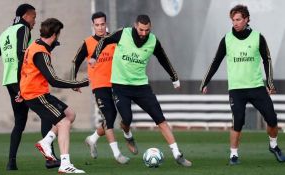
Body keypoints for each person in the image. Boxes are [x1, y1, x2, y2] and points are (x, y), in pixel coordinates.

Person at [89, 14, 192, 167]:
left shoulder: (153, 41)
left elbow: (163, 59)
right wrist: (94, 56)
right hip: (120, 86)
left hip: (141, 87)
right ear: (135, 26)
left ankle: (178, 154)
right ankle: (128, 134)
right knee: (127, 119)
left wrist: (174, 78)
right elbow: (104, 41)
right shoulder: (122, 34)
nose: (144, 33)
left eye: (147, 30)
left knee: (160, 119)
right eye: (141, 30)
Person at [200, 4, 285, 165]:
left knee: (272, 119)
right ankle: (233, 155)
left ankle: (273, 145)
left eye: (238, 19)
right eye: (233, 20)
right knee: (238, 120)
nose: (235, 23)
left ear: (246, 19)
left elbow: (267, 60)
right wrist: (205, 81)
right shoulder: (227, 39)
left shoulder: (258, 37)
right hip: (236, 89)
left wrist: (269, 82)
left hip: (256, 87)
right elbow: (216, 61)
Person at [0, 4, 60, 170]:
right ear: (26, 16)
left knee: (19, 122)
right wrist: (22, 83)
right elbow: (22, 55)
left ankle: (11, 162)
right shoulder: (24, 29)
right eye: (34, 17)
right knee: (47, 116)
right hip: (22, 82)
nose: (34, 21)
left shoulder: (5, 33)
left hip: (9, 82)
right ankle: (50, 159)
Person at [19, 18, 89, 173]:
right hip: (35, 95)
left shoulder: (36, 44)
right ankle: (65, 164)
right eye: (59, 34)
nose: (59, 37)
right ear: (55, 34)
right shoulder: (41, 53)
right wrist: (79, 83)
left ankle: (46, 141)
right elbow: (54, 80)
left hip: (36, 92)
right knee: (64, 123)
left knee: (70, 114)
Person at [71, 11, 137, 164]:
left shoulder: (114, 39)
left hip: (118, 83)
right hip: (100, 86)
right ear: (93, 25)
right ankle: (117, 154)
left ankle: (92, 139)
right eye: (97, 25)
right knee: (109, 116)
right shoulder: (87, 43)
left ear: (106, 24)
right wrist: (74, 81)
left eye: (102, 24)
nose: (100, 28)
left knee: (117, 117)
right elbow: (76, 61)